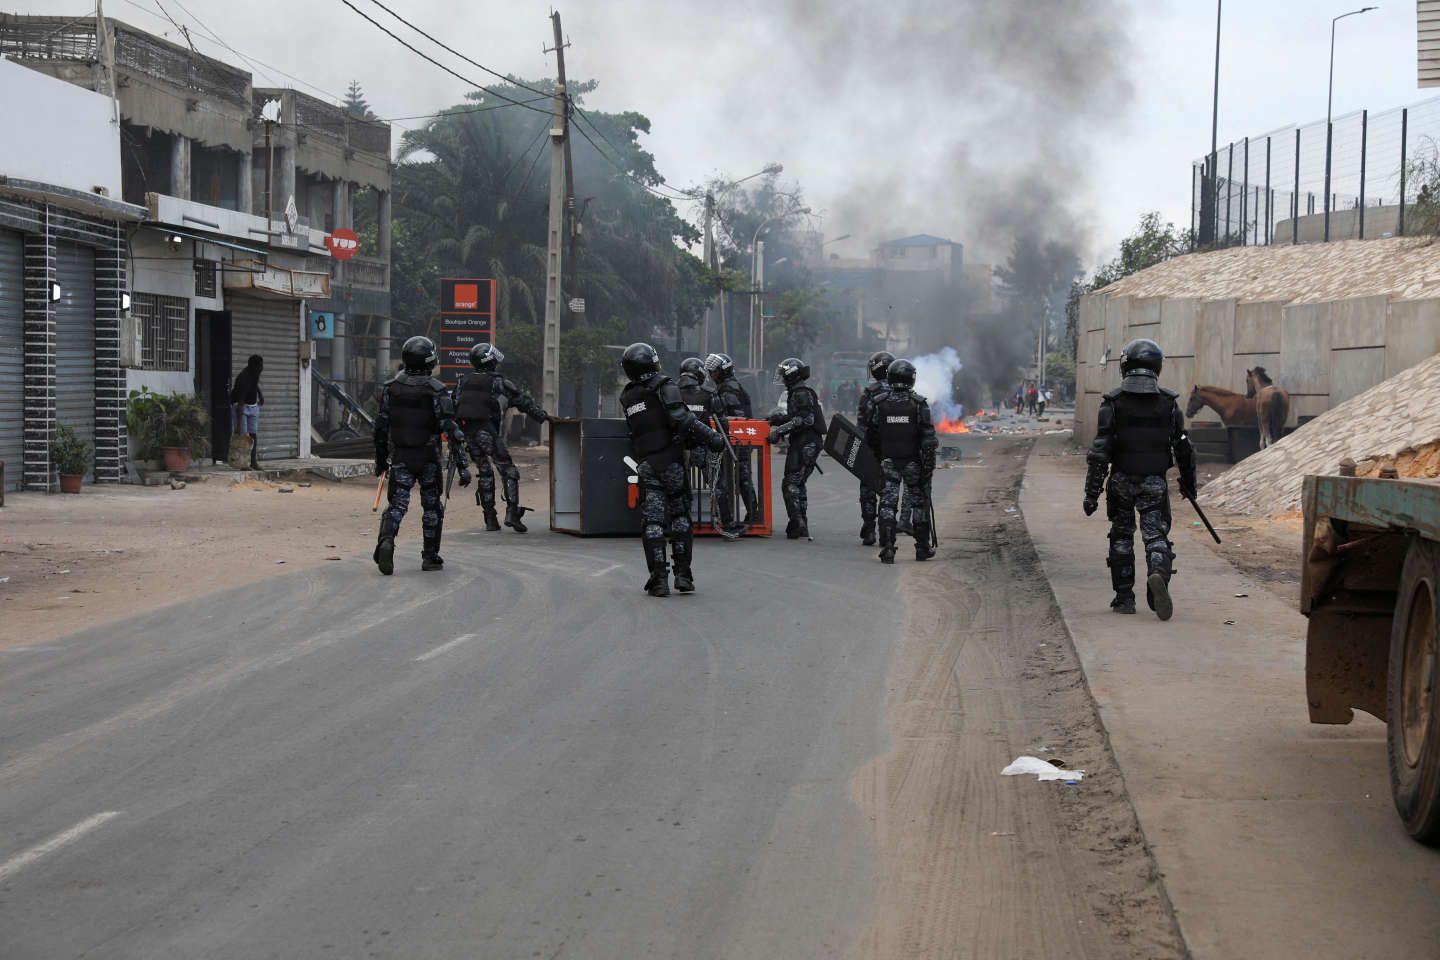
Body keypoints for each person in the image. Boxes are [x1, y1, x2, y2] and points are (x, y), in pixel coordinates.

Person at [1083, 338, 1197, 620]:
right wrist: (1189, 485)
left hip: (1121, 480)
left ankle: (1124, 599)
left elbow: (1100, 451)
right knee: (1156, 535)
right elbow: (1184, 447)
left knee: (1121, 536)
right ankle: (1158, 573)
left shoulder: (1113, 402)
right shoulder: (1170, 404)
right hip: (1154, 482)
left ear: (1126, 366)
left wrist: (1091, 493)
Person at [619, 342, 726, 597]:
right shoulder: (665, 386)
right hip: (671, 462)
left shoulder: (628, 396)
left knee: (653, 520)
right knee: (679, 515)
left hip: (646, 463)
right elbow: (682, 419)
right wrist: (712, 438)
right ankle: (683, 575)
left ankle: (658, 579)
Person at [373, 336, 471, 575]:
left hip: (401, 457)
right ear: (430, 360)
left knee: (396, 505)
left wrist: (380, 459)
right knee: (432, 507)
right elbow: (452, 428)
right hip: (428, 457)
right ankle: (430, 556)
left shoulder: (390, 389)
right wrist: (464, 465)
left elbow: (380, 427)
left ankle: (386, 541)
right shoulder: (437, 390)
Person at [453, 342, 548, 533]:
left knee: (485, 472)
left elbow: (454, 405)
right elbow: (522, 401)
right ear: (490, 360)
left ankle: (490, 519)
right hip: (487, 431)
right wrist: (543, 416)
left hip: (467, 434)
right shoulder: (498, 381)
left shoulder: (463, 381)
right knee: (509, 471)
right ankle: (512, 513)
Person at [865, 358, 938, 564]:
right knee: (919, 503)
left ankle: (888, 548)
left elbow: (872, 436)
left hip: (888, 461)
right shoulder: (918, 404)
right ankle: (922, 548)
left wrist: (879, 457)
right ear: (911, 379)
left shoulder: (879, 403)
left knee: (887, 503)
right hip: (913, 463)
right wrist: (929, 467)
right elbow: (929, 440)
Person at [768, 357, 826, 540]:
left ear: (791, 375)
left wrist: (779, 431)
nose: (782, 379)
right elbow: (797, 416)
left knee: (790, 483)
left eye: (784, 375)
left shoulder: (800, 392)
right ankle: (802, 523)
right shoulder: (797, 391)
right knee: (798, 483)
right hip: (807, 442)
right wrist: (779, 419)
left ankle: (797, 522)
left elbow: (806, 420)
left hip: (806, 442)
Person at [704, 352, 759, 529]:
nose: (712, 375)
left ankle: (752, 515)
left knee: (740, 478)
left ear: (722, 371)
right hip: (737, 440)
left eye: (714, 371)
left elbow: (736, 418)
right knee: (740, 477)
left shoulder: (729, 389)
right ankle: (751, 514)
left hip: (736, 441)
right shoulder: (729, 386)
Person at [856, 350, 895, 546]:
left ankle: (869, 529)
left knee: (868, 487)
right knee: (889, 490)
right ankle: (887, 531)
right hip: (894, 450)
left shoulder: (870, 393)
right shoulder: (903, 393)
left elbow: (861, 425)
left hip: (872, 447)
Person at [229, 354, 264, 470]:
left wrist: (260, 394)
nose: (262, 368)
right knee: (243, 437)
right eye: (260, 366)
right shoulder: (243, 378)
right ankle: (243, 464)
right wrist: (238, 424)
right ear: (254, 366)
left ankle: (253, 462)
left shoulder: (255, 374)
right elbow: (240, 401)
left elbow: (255, 385)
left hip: (253, 406)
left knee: (253, 435)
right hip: (241, 407)